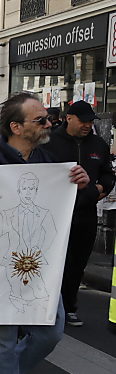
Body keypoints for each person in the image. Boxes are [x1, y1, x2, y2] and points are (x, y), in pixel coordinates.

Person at [0, 90, 89, 374]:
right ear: (16, 127)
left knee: (51, 332)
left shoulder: (51, 163)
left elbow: (62, 217)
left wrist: (81, 186)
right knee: (0, 339)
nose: (48, 122)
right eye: (40, 119)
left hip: (40, 272)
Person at [42, 100, 114, 326]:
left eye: (91, 121)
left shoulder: (98, 144)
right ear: (69, 118)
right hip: (53, 213)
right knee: (53, 261)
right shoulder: (49, 141)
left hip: (85, 213)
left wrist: (98, 191)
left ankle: (69, 306)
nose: (87, 125)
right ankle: (47, 305)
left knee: (77, 262)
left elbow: (108, 176)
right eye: (83, 121)